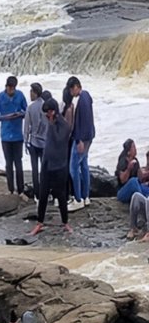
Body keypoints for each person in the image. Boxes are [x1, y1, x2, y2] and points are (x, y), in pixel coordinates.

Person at [32, 98, 73, 234]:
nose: (46, 116)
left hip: (59, 166)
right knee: (43, 194)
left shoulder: (64, 125)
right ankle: (39, 222)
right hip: (47, 164)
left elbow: (59, 140)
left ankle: (65, 222)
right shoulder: (49, 122)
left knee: (61, 196)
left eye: (47, 113)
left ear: (53, 111)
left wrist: (50, 124)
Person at [0, 76, 29, 196]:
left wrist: (20, 114)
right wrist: (2, 117)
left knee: (18, 163)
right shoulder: (0, 97)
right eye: (10, 88)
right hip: (5, 135)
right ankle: (10, 189)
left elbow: (27, 111)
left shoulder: (20, 95)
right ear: (6, 87)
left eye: (13, 89)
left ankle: (21, 190)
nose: (12, 91)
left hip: (18, 135)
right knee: (8, 163)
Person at [68, 77, 95, 208]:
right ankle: (86, 196)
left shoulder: (81, 101)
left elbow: (82, 122)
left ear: (76, 87)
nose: (70, 93)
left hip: (82, 139)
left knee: (73, 167)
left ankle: (78, 199)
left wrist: (79, 141)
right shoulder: (87, 96)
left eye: (70, 89)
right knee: (84, 165)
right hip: (89, 136)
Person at [23, 82, 47, 197]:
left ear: (35, 93)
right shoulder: (46, 105)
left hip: (33, 142)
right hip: (45, 142)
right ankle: (45, 191)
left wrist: (25, 141)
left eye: (31, 92)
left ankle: (37, 193)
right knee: (44, 169)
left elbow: (26, 127)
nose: (30, 94)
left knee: (34, 169)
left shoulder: (30, 107)